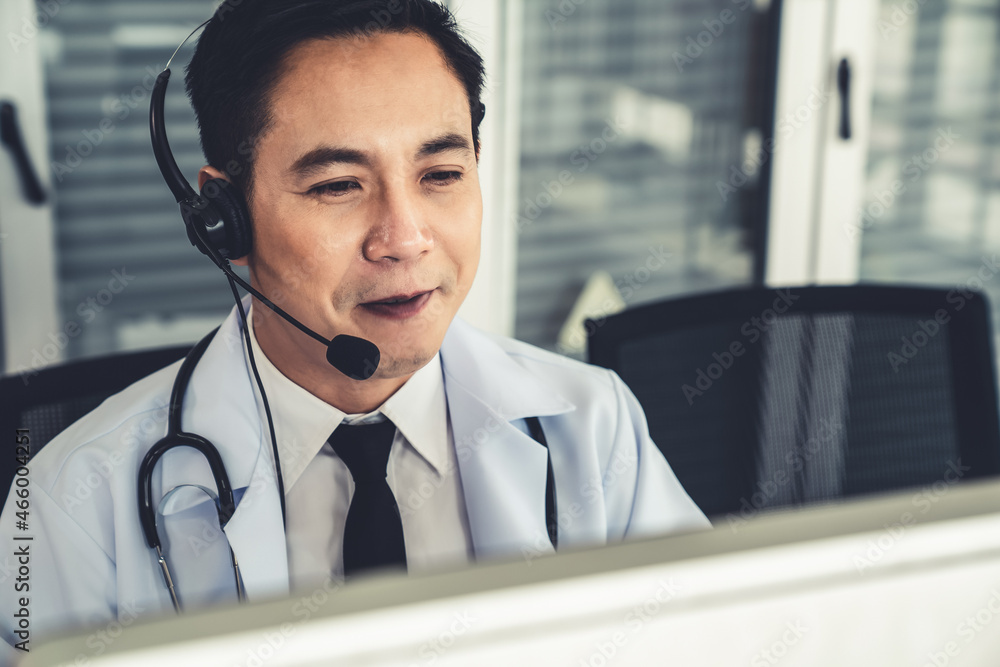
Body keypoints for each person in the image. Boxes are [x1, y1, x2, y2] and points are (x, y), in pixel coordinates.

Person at [0, 0, 708, 654]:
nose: (404, 240)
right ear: (223, 220)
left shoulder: (592, 425)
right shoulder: (69, 506)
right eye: (339, 185)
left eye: (441, 174)